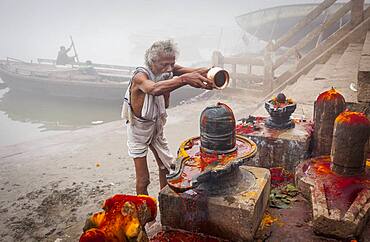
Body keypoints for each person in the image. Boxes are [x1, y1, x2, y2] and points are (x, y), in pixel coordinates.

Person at [122, 39, 213, 195]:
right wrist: (184, 79)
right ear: (152, 61)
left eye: (172, 64)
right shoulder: (140, 75)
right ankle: (145, 217)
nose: (169, 68)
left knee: (167, 167)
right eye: (164, 64)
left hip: (157, 128)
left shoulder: (169, 68)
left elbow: (196, 71)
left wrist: (212, 72)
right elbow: (153, 88)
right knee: (143, 180)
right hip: (139, 132)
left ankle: (164, 202)